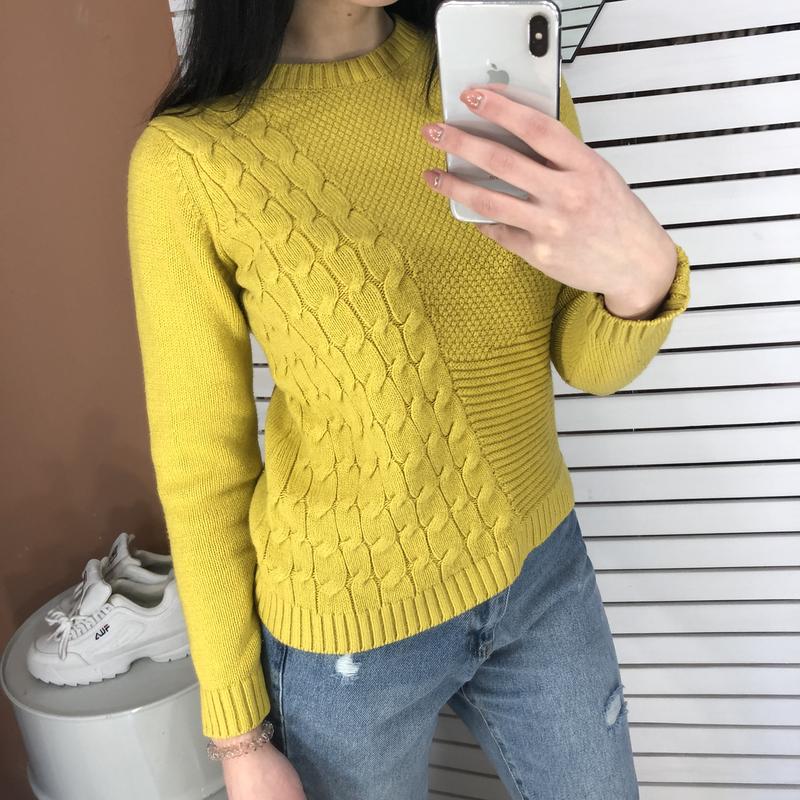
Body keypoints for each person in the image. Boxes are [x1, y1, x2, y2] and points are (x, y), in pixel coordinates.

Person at [126, 1, 690, 798]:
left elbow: (587, 360)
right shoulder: (190, 160)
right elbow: (201, 465)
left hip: (541, 569)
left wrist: (643, 276)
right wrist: (239, 739)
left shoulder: (502, 86)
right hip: (347, 633)